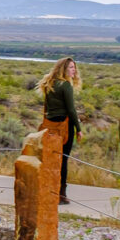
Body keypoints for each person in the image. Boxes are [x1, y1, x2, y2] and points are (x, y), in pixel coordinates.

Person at [38, 57, 82, 205]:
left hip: (50, 126)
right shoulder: (65, 86)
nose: (74, 70)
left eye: (74, 67)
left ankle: (47, 191)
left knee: (50, 160)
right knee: (62, 160)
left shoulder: (49, 83)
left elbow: (47, 108)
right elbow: (71, 110)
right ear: (63, 69)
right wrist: (78, 129)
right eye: (70, 67)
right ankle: (61, 194)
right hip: (64, 126)